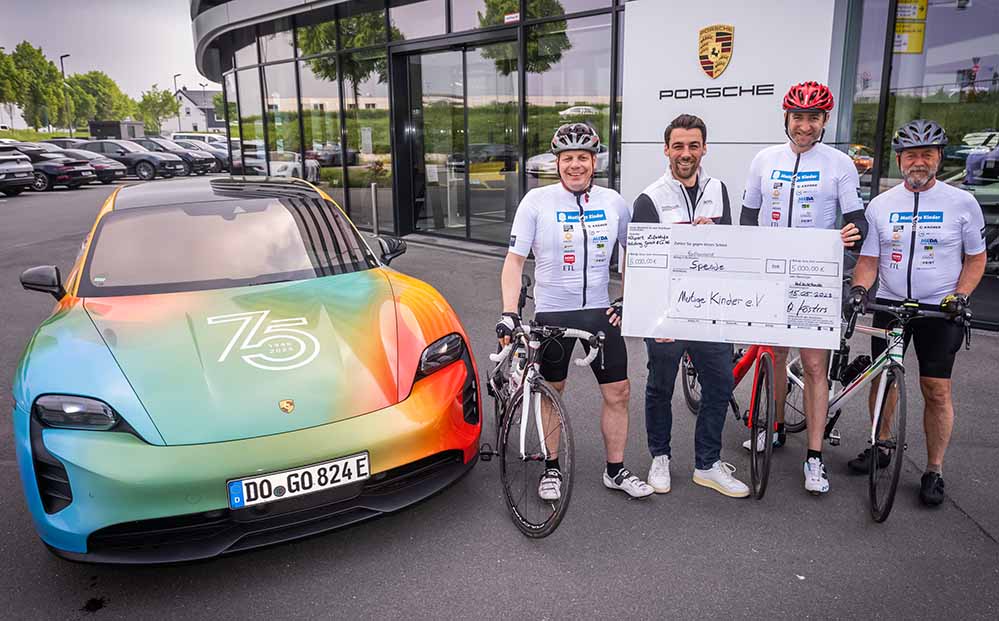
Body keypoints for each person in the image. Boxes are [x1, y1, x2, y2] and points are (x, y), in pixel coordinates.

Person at [497, 123, 654, 500]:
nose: (575, 165)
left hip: (600, 311)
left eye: (583, 157)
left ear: (594, 161)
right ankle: (551, 467)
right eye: (567, 158)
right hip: (553, 314)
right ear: (557, 162)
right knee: (553, 391)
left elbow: (634, 253)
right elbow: (514, 262)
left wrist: (627, 298)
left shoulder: (613, 202)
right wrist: (509, 312)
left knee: (619, 391)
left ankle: (615, 470)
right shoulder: (536, 202)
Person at [847, 119, 986, 506]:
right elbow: (869, 260)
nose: (919, 162)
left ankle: (934, 469)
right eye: (911, 155)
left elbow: (976, 258)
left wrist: (960, 295)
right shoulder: (881, 205)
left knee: (936, 390)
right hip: (890, 305)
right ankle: (881, 444)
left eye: (927, 154)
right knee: (883, 379)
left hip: (939, 309)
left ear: (939, 157)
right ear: (899, 160)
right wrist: (859, 290)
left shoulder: (962, 203)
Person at [740, 81, 866, 495]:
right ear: (787, 118)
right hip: (773, 273)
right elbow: (747, 218)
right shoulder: (764, 159)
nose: (805, 125)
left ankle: (814, 456)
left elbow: (857, 221)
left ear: (825, 120)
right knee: (774, 355)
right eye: (798, 117)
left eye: (814, 118)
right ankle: (775, 428)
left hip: (816, 275)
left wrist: (851, 239)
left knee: (814, 366)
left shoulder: (839, 164)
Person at [627, 113, 749, 498]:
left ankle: (707, 464)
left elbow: (730, 250)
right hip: (668, 314)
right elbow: (641, 267)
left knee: (720, 384)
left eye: (693, 145)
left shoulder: (719, 189)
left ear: (704, 148)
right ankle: (660, 457)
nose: (686, 153)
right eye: (678, 146)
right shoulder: (649, 198)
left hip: (710, 312)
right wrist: (654, 320)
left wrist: (717, 236)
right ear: (666, 150)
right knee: (660, 387)